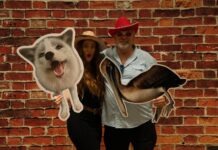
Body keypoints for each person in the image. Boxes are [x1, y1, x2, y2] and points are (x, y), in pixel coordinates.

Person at [101, 16, 160, 150]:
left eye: (128, 33)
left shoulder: (146, 59)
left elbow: (157, 84)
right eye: (120, 34)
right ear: (114, 37)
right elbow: (83, 70)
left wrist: (159, 98)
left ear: (134, 35)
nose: (124, 37)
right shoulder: (104, 57)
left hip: (142, 124)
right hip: (114, 125)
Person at [55, 31, 105, 150]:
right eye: (86, 46)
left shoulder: (98, 69)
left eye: (92, 47)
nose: (89, 50)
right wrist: (60, 97)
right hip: (80, 120)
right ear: (81, 48)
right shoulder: (74, 68)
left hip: (96, 120)